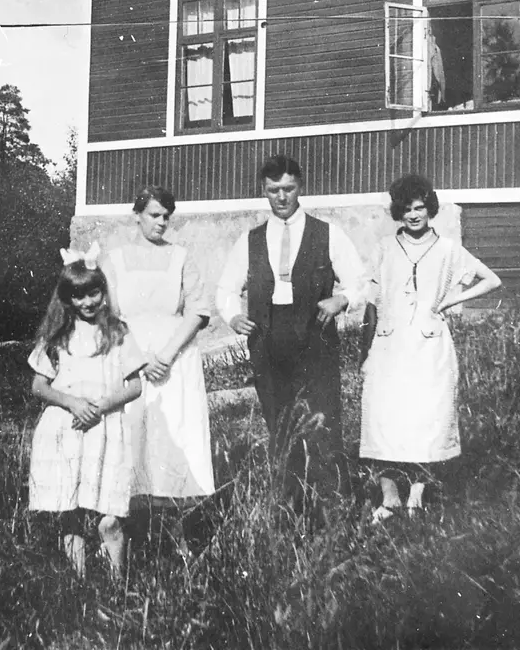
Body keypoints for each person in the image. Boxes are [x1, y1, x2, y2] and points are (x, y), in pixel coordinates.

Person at [216, 154, 367, 501]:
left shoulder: (327, 234)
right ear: (263, 191)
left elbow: (360, 281)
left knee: (323, 421)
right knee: (280, 424)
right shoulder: (250, 240)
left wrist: (341, 299)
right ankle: (290, 504)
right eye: (274, 190)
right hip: (268, 341)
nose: (282, 197)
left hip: (316, 339)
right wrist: (233, 316)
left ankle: (332, 503)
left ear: (301, 187)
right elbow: (225, 288)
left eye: (288, 188)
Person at [360, 174, 501, 523]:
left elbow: (491, 280)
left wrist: (450, 300)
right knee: (382, 418)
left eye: (419, 208)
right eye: (407, 209)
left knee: (427, 419)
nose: (413, 215)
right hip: (390, 345)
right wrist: (365, 354)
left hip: (429, 346)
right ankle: (390, 497)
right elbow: (372, 304)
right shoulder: (385, 247)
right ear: (398, 211)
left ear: (430, 208)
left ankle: (417, 495)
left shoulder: (447, 249)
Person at [100, 185, 215, 536]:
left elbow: (198, 311)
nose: (162, 222)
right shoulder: (114, 259)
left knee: (173, 438)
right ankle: (129, 525)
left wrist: (165, 355)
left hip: (175, 361)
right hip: (130, 359)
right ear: (137, 216)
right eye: (154, 215)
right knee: (133, 433)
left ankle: (177, 532)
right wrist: (139, 358)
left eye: (167, 216)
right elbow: (108, 314)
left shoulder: (181, 256)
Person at [28, 248, 145, 578]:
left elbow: (135, 386)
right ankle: (79, 584)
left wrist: (100, 406)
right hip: (67, 427)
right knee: (71, 508)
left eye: (94, 293)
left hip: (106, 425)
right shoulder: (57, 336)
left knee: (109, 511)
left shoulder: (118, 332)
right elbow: (39, 386)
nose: (88, 302)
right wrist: (73, 403)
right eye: (78, 296)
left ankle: (117, 583)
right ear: (67, 298)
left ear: (103, 291)